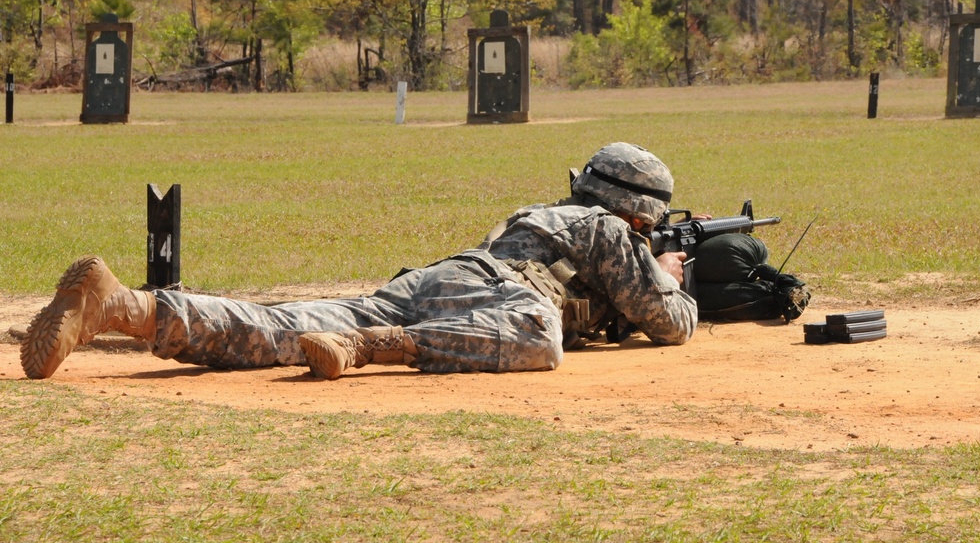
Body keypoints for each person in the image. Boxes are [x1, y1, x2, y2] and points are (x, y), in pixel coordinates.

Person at [20, 142, 697, 381]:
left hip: (442, 278)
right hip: (502, 299)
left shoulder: (550, 213)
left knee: (283, 326)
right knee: (539, 340)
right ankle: (373, 345)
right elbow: (666, 322)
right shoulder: (609, 229)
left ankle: (124, 307)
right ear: (638, 212)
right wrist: (674, 279)